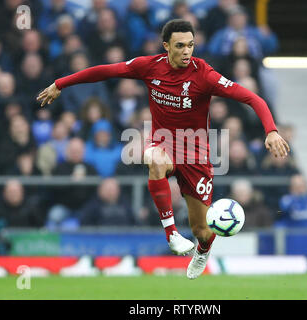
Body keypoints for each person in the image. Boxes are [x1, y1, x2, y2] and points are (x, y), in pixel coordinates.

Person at [37, 19, 289, 279]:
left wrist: (270, 129)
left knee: (202, 231)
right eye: (180, 46)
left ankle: (202, 251)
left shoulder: (204, 74)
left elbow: (252, 97)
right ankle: (172, 235)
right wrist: (60, 83)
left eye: (191, 45)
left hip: (195, 155)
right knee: (155, 159)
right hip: (163, 142)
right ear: (166, 46)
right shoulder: (149, 66)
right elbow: (105, 71)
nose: (187, 51)